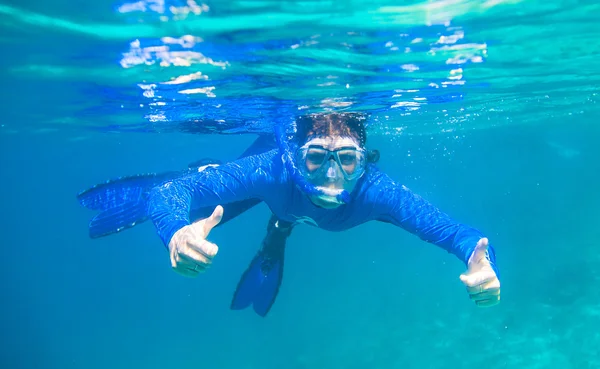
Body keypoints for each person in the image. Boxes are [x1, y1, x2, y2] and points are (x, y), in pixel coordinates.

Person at [147, 112, 501, 312]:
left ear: (364, 164)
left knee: (285, 213)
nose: (331, 175)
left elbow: (460, 235)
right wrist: (176, 231)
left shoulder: (377, 191)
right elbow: (168, 192)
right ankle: (223, 181)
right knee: (254, 199)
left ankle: (277, 234)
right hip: (278, 195)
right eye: (316, 157)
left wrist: (482, 263)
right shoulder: (273, 169)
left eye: (347, 159)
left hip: (286, 201)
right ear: (295, 159)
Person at [77, 135, 296, 316]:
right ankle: (200, 177)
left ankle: (277, 234)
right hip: (283, 161)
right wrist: (176, 231)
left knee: (287, 203)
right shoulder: (276, 161)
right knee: (216, 207)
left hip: (294, 192)